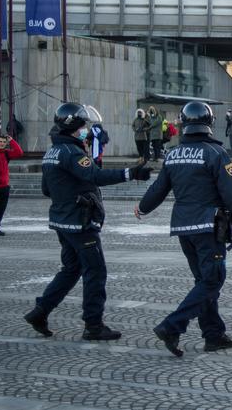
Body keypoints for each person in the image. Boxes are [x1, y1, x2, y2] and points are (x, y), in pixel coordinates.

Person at [136, 102, 232, 357]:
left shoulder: (173, 154)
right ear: (209, 123)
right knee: (212, 281)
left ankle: (213, 335)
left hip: (183, 227)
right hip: (208, 227)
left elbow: (159, 188)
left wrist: (143, 207)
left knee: (204, 281)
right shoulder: (216, 153)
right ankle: (172, 326)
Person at [24, 102, 152, 341]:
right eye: (82, 126)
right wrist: (131, 173)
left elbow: (46, 189)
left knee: (71, 269)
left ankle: (40, 311)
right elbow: (96, 176)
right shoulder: (72, 152)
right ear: (73, 127)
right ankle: (93, 325)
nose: (85, 129)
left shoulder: (53, 151)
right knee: (95, 271)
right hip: (79, 221)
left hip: (62, 221)